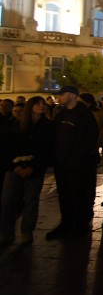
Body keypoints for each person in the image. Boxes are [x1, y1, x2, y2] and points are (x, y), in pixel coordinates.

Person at [46, 85, 100, 239]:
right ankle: (66, 222)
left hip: (78, 164)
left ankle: (80, 225)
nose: (59, 97)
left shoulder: (85, 115)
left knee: (79, 194)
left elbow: (90, 140)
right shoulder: (61, 114)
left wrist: (77, 157)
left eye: (62, 95)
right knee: (64, 194)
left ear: (72, 95)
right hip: (61, 163)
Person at [0, 97, 55, 247]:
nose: (41, 106)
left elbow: (47, 150)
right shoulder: (16, 125)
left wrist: (34, 166)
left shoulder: (48, 126)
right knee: (8, 201)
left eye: (43, 104)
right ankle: (6, 233)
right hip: (15, 167)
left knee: (31, 200)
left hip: (34, 169)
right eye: (38, 104)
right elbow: (7, 147)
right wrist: (14, 166)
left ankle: (27, 231)